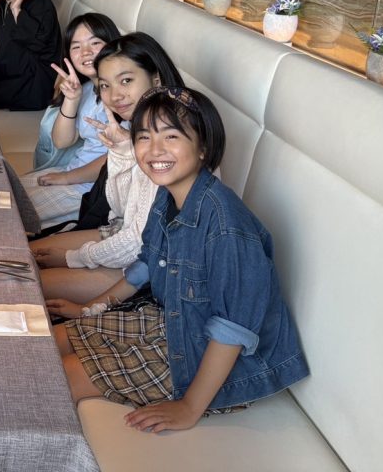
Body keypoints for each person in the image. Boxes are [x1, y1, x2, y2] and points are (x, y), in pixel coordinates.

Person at [51, 88, 308, 431]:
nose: (154, 150)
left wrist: (189, 407)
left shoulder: (227, 226)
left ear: (203, 148)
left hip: (218, 360)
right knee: (47, 341)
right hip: (172, 322)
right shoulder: (167, 195)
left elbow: (233, 328)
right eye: (144, 137)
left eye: (171, 136)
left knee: (60, 377)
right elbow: (146, 265)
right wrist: (91, 308)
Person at [31, 33, 185, 303]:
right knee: (24, 255)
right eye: (105, 85)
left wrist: (74, 258)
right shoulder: (133, 128)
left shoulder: (171, 140)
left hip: (157, 265)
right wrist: (121, 154)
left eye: (126, 81)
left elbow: (139, 242)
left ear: (156, 80)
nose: (115, 96)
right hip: (122, 232)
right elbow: (119, 210)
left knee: (23, 281)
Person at [19, 13, 121, 232]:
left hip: (91, 191)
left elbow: (117, 158)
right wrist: (72, 100)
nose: (85, 52)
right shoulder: (87, 89)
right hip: (72, 171)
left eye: (95, 43)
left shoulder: (122, 96)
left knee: (12, 215)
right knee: (0, 190)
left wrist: (66, 178)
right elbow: (61, 141)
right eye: (76, 47)